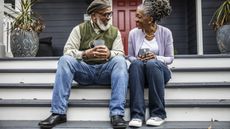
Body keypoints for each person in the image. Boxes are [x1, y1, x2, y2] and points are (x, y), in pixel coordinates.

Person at [38, 0, 128, 129]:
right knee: (64, 60)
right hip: (84, 72)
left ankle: (117, 114)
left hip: (105, 72)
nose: (108, 18)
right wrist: (85, 54)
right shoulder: (79, 29)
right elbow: (67, 51)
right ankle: (58, 112)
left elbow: (120, 53)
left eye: (109, 14)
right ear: (93, 16)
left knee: (120, 61)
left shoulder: (115, 32)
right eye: (104, 14)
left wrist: (109, 54)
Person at [127, 0, 173, 127]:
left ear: (150, 19)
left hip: (159, 71)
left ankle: (158, 114)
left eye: (139, 16)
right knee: (135, 64)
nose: (135, 19)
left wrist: (156, 57)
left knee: (152, 63)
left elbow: (170, 58)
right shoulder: (133, 33)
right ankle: (137, 116)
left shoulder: (166, 33)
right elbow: (130, 56)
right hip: (140, 72)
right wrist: (137, 59)